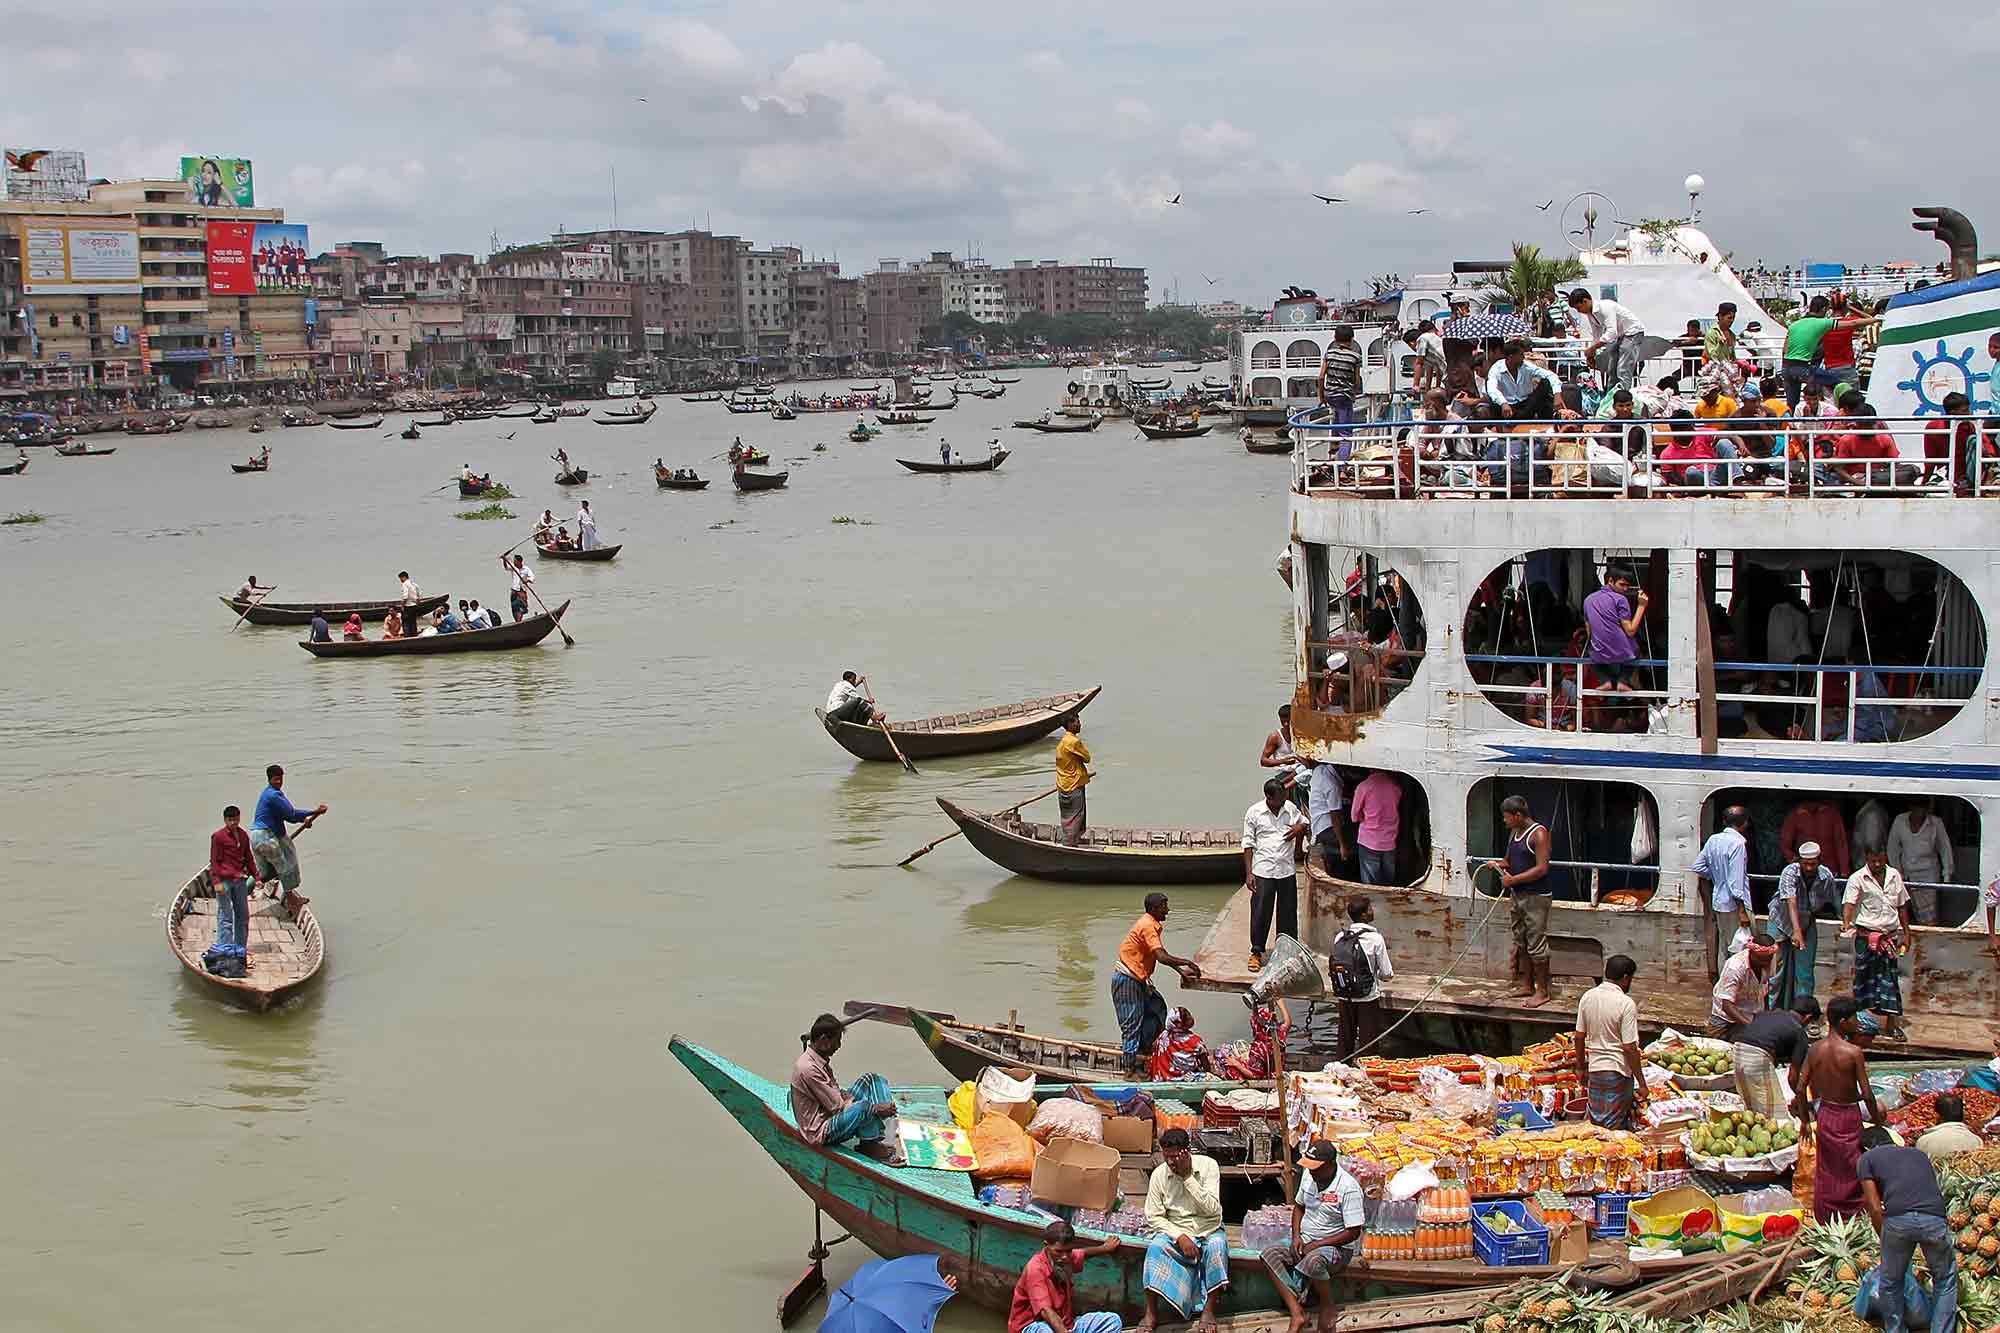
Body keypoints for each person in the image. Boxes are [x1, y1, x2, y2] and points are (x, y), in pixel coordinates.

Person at [1858, 1124, 1959, 1333]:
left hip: (1899, 1220)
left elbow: (1875, 1208)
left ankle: (1896, 1329)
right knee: (1945, 1278)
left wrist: (1884, 1238)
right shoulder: (1918, 1154)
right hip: (1934, 1217)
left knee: (1891, 1282)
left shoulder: (1867, 1159)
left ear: (1867, 1147)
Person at [1260, 1139, 1365, 1333]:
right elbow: (1299, 1207)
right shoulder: (1309, 1178)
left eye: (1316, 1168)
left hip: (1337, 1247)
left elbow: (1353, 1232)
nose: (1311, 1172)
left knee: (1314, 1260)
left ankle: (1327, 1305)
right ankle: (1297, 1310)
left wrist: (1318, 1244)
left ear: (1331, 1165)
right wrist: (1296, 1236)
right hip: (1307, 1239)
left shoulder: (1348, 1187)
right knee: (1269, 1254)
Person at [1797, 995, 1886, 1222]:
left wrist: (1806, 1120)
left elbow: (1800, 1088)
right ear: (1844, 1021)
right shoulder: (1853, 1053)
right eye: (1855, 1018)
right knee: (1851, 1167)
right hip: (1847, 1115)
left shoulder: (1815, 1049)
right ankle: (1853, 1215)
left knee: (1828, 1169)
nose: (1858, 1023)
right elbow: (1867, 1094)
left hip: (1826, 1112)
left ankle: (1826, 1216)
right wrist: (1877, 1121)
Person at [1140, 1128, 1228, 1333]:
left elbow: (1214, 1209)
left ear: (1186, 1152)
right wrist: (1179, 1236)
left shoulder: (1209, 1166)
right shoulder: (1159, 1175)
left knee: (1217, 1246)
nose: (1171, 1162)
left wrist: (1188, 1177)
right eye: (1167, 1156)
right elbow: (1154, 1216)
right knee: (1154, 1248)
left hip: (1208, 1227)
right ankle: (1151, 1311)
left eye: (1175, 1157)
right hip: (1176, 1229)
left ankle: (1209, 1310)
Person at [787, 1013, 899, 1163]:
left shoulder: (819, 1061)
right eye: (837, 1041)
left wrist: (857, 1102)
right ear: (824, 1040)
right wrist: (875, 1108)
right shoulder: (808, 1068)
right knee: (865, 1107)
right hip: (821, 1129)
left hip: (831, 1111)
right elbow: (837, 1107)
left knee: (871, 1079)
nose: (838, 1046)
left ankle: (873, 1138)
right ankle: (871, 1144)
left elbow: (837, 1092)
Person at [1112, 893, 1201, 1073]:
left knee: (1157, 1009)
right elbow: (1161, 957)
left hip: (1139, 979)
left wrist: (1181, 971)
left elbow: (1158, 954)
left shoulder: (1151, 925)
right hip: (1128, 980)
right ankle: (1129, 1069)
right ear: (1154, 909)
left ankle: (1143, 1050)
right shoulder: (1147, 926)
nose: (1167, 910)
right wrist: (1186, 962)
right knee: (1131, 1024)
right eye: (1164, 907)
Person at [1487, 795, 1554, 1007]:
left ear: (1518, 815)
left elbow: (1542, 868)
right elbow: (1509, 860)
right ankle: (1526, 984)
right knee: (1521, 941)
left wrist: (1513, 879)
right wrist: (1498, 865)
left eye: (1507, 817)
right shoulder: (1515, 834)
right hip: (1517, 896)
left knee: (1536, 943)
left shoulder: (1539, 834)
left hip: (1536, 897)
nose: (1504, 822)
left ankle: (1542, 991)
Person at [1841, 846, 1911, 1040]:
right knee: (1862, 980)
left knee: (1890, 981)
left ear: (1885, 857)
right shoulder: (1857, 878)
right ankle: (1857, 1024)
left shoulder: (1894, 875)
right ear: (1867, 858)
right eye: (1873, 861)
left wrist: (1907, 932)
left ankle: (1892, 1025)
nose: (1877, 864)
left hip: (1889, 936)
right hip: (1866, 937)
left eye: (1880, 860)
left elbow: (1902, 905)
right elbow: (1849, 903)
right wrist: (1846, 923)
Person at [1573, 955, 1646, 1129]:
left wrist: (1580, 1067)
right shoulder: (1626, 1003)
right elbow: (1629, 1047)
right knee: (1614, 1126)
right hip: (1617, 1072)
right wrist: (1642, 1082)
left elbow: (1579, 1036)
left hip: (1596, 1070)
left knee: (1597, 1123)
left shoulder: (1588, 997)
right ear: (1626, 978)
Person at [1008, 1221, 1122, 1333]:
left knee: (1112, 1321)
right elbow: (1045, 1311)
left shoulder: (1065, 1257)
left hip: (1066, 1324)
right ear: (1046, 1245)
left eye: (1068, 1251)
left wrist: (1105, 1248)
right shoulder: (1035, 1269)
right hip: (1033, 1326)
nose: (1065, 1257)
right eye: (1059, 1251)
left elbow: (1082, 1253)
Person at [1243, 778, 1307, 973]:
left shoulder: (1290, 808)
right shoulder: (1254, 812)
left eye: (1284, 795)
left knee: (1288, 912)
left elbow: (1304, 823)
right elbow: (1248, 844)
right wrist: (1249, 874)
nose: (1284, 800)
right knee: (1261, 911)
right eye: (1280, 797)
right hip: (1264, 870)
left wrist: (1299, 830)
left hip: (1286, 869)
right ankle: (1256, 951)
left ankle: (1287, 951)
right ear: (1269, 798)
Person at [1768, 842, 1836, 1010]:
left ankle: (1802, 1012)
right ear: (1799, 861)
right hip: (1781, 921)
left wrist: (1846, 921)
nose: (1809, 867)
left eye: (1813, 863)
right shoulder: (1789, 872)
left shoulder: (1826, 876)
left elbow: (1831, 900)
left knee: (1804, 973)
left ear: (1819, 861)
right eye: (1805, 863)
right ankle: (1767, 1010)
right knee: (1775, 971)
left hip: (1806, 921)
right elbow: (1791, 902)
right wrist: (1797, 933)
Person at [250, 763, 325, 907]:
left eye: (280, 779)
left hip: (256, 836)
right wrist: (315, 812)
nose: (278, 782)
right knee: (284, 868)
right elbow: (291, 814)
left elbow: (288, 816)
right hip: (266, 837)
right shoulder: (273, 795)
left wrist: (304, 819)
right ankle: (291, 900)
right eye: (275, 779)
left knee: (265, 874)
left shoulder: (267, 793)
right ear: (269, 780)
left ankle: (240, 890)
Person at [1329, 896, 1393, 1063]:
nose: (1373, 911)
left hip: (1345, 994)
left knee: (1344, 1038)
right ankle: (1369, 1076)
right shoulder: (1375, 939)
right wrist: (1375, 974)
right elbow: (1387, 973)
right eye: (1370, 909)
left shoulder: (1340, 937)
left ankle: (1341, 1071)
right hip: (1367, 996)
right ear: (1364, 915)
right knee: (1368, 1041)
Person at [1693, 806, 1753, 980]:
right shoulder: (1738, 843)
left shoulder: (1713, 840)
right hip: (1734, 905)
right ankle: (1732, 987)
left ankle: (1722, 987)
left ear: (1725, 821)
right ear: (1744, 823)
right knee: (1738, 950)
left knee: (1724, 948)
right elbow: (1736, 883)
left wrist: (1717, 876)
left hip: (1719, 901)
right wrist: (1742, 911)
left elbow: (1698, 866)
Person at [1733, 999, 1818, 1119]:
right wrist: (1802, 1099)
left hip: (1737, 1050)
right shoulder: (1799, 1032)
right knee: (1774, 1115)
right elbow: (1793, 1078)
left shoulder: (1769, 1014)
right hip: (1757, 1057)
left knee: (1751, 1107)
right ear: (1808, 1018)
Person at [1583, 567, 1649, 705]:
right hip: (1623, 652)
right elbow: (1630, 630)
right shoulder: (1621, 599)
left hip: (1598, 652)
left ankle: (1605, 681)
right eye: (1622, 584)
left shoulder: (1588, 599)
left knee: (1591, 652)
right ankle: (1622, 681)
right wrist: (1642, 606)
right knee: (1637, 651)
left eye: (1627, 586)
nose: (1625, 589)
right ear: (1610, 581)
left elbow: (1589, 632)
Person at [1887, 797, 1952, 926]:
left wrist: (1947, 876)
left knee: (1928, 918)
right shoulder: (1900, 821)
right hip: (1904, 876)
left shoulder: (1935, 823)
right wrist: (1897, 873)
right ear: (1910, 807)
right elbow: (1892, 848)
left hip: (1928, 876)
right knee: (1901, 913)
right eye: (1915, 806)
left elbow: (1945, 848)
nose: (1918, 810)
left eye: (1922, 807)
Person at [206, 804, 256, 967]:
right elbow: (214, 862)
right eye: (230, 820)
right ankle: (225, 950)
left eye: (236, 819)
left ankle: (240, 950)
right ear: (225, 820)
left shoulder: (243, 836)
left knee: (242, 915)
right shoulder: (218, 837)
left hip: (240, 880)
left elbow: (248, 857)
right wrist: (216, 882)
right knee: (225, 916)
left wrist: (256, 875)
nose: (233, 822)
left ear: (239, 818)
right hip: (224, 881)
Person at [1568, 289, 1646, 390]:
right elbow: (1596, 334)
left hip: (1632, 332)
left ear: (1585, 301)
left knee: (1623, 368)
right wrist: (1592, 353)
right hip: (1620, 336)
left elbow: (1611, 332)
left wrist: (1592, 349)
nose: (1579, 311)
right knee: (1612, 368)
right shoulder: (1590, 314)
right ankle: (1610, 396)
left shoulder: (1605, 307)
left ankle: (1623, 395)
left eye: (1578, 308)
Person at [1709, 932, 1776, 1039]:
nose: (1765, 963)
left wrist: (1765, 1018)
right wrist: (1752, 1025)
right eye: (1760, 959)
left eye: (1768, 960)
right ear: (1751, 953)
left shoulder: (1769, 961)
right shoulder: (1735, 967)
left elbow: (1764, 988)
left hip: (1752, 1013)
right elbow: (1726, 1005)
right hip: (1726, 1020)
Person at [1346, 769, 1401, 888]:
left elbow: (1354, 817)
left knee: (1370, 884)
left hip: (1369, 840)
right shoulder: (1395, 787)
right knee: (1388, 882)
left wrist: (1364, 817)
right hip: (1390, 841)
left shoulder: (1364, 786)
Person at [1780, 296, 1838, 408]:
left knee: (1792, 404)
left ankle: (1793, 423)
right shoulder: (1821, 323)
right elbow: (1852, 324)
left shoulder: (1796, 325)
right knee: (1834, 383)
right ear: (1823, 309)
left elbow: (1785, 349)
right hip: (1807, 367)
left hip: (1788, 367)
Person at [1485, 340, 1561, 418]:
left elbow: (1551, 375)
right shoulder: (1496, 368)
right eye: (1521, 355)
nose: (1524, 357)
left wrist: (1557, 395)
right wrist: (1503, 403)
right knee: (1493, 397)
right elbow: (1492, 389)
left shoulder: (1526, 366)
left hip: (1527, 406)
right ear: (1511, 357)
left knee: (1545, 382)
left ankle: (1546, 422)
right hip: (1506, 407)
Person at [1781, 796, 1851, 879]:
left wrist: (1844, 871)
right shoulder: (1794, 816)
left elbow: (1841, 843)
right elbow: (1785, 845)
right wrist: (1798, 862)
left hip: (1830, 870)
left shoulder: (1832, 814)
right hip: (1804, 873)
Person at [1259, 704, 1310, 809]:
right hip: (1284, 776)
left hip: (1302, 775)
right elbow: (1263, 761)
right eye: (1283, 721)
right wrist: (1283, 761)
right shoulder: (1275, 737)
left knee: (1303, 810)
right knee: (1286, 809)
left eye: (1289, 721)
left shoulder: (1303, 735)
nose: (1286, 724)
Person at [1305, 757, 1349, 877]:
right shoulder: (1331, 784)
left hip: (1319, 825)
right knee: (1338, 865)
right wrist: (1342, 844)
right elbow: (1335, 815)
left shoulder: (1319, 771)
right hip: (1328, 828)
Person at [1055, 714, 1092, 846]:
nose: (1080, 724)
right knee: (1076, 816)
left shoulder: (1062, 742)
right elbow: (1087, 758)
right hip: (1074, 785)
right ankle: (1070, 845)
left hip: (1063, 785)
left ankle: (1071, 841)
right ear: (1070, 724)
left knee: (1067, 816)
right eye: (1077, 722)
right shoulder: (1073, 741)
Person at [1317, 325, 1363, 427]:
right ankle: (1345, 442)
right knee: (1345, 430)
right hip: (1344, 396)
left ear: (1335, 339)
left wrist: (1322, 397)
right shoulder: (1355, 357)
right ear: (1352, 339)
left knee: (1336, 424)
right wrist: (1353, 393)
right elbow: (1357, 380)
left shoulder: (1328, 354)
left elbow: (1321, 377)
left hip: (1330, 396)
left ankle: (1335, 442)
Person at [1149, 1007, 1212, 1080]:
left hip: (1162, 1078)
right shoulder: (1195, 1041)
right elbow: (1205, 1064)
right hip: (1186, 1079)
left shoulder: (1163, 1036)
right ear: (1179, 1023)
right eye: (1187, 1017)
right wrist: (1209, 1073)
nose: (1191, 1017)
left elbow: (1153, 1048)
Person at [502, 552, 535, 621]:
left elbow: (532, 578)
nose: (514, 562)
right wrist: (504, 559)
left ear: (519, 562)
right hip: (514, 591)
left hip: (522, 591)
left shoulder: (526, 569)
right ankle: (517, 621)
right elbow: (506, 567)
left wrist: (527, 580)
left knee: (522, 607)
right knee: (514, 608)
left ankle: (519, 620)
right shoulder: (513, 568)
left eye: (515, 561)